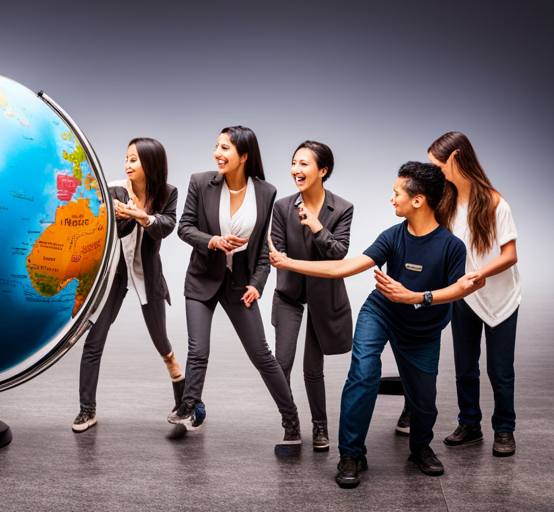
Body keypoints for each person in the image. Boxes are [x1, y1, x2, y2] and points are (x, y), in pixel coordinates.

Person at [269, 161, 483, 488]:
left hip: (423, 329)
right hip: (381, 312)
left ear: (418, 200)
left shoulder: (451, 246)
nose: (391, 199)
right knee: (363, 374)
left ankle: (420, 447)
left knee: (424, 400)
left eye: (397, 193)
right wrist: (289, 263)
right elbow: (344, 267)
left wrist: (415, 296)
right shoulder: (392, 236)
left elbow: (457, 289)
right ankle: (351, 454)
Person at [169, 125, 301, 451]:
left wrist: (257, 284)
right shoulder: (201, 182)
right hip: (202, 279)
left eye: (225, 147)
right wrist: (213, 240)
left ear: (244, 156)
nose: (217, 153)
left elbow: (266, 248)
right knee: (198, 350)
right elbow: (184, 228)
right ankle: (189, 406)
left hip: (240, 285)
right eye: (217, 146)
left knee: (262, 355)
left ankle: (291, 419)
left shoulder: (266, 192)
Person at [73, 138, 183, 432]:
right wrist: (111, 213)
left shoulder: (168, 193)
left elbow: (166, 227)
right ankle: (87, 410)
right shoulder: (114, 190)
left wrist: (142, 216)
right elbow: (107, 229)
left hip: (148, 273)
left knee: (163, 344)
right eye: (127, 158)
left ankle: (182, 398)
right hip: (115, 273)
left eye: (134, 159)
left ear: (150, 163)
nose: (127, 164)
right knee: (94, 340)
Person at [426, 132, 520, 456]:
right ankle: (470, 424)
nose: (435, 171)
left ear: (455, 158)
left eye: (437, 165)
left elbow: (510, 255)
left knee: (500, 370)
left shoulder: (495, 202)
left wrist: (480, 274)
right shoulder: (446, 203)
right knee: (465, 367)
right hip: (464, 297)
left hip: (501, 300)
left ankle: (504, 429)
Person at [271, 141, 353, 452]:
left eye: (304, 164)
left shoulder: (342, 208)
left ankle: (320, 425)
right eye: (294, 163)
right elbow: (277, 251)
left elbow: (338, 253)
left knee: (312, 368)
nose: (296, 169)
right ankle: (290, 420)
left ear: (323, 170)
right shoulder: (282, 207)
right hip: (289, 293)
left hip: (323, 295)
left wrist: (318, 227)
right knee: (282, 363)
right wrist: (278, 260)